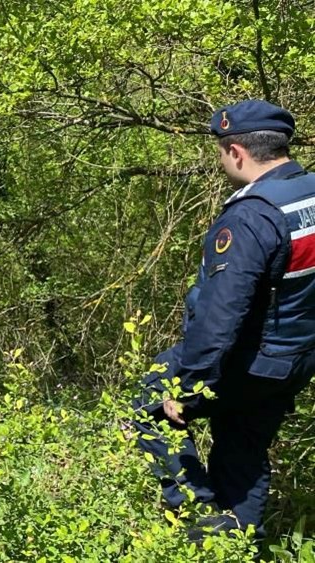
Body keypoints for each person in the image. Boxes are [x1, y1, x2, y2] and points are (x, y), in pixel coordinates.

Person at [133, 100, 315, 541]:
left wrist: (189, 387)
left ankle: (202, 524)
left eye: (220, 151)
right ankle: (237, 544)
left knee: (152, 402)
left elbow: (220, 316)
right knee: (242, 448)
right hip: (298, 357)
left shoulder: (251, 217)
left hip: (256, 359)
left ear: (237, 152)